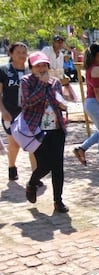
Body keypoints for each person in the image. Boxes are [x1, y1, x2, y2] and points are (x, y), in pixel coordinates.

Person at [20, 52, 69, 213]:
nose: (42, 69)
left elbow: (58, 99)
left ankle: (58, 200)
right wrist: (41, 84)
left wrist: (62, 104)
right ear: (31, 67)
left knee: (58, 166)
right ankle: (32, 183)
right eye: (38, 66)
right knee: (45, 165)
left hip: (56, 128)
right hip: (36, 129)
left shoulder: (54, 82)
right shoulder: (26, 82)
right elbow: (27, 103)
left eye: (44, 65)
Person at [0, 42, 38, 182]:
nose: (22, 55)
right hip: (10, 113)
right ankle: (12, 167)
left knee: (33, 143)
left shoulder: (31, 71)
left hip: (30, 114)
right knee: (14, 144)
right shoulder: (4, 70)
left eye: (24, 52)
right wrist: (3, 111)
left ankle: (35, 175)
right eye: (18, 52)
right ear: (11, 54)